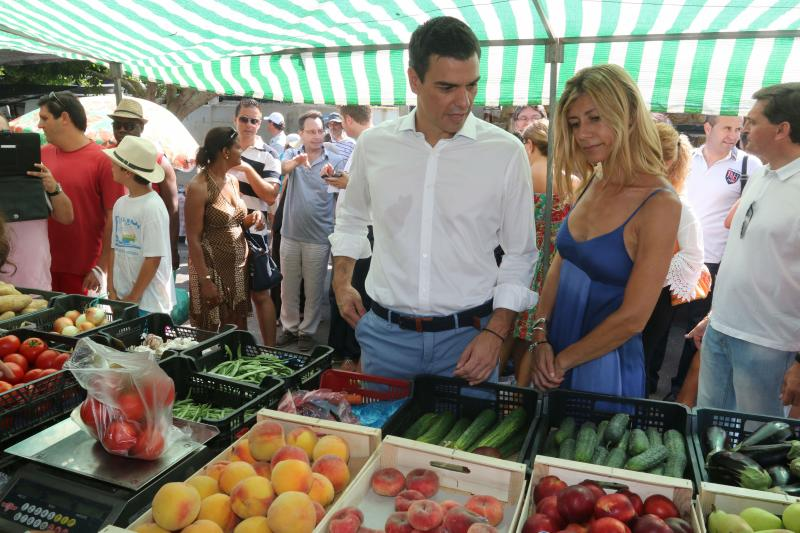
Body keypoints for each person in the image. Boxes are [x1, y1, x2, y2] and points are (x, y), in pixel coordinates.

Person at [330, 16, 537, 384]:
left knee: (462, 443)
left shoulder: (505, 152)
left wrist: (495, 333)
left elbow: (520, 253)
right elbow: (351, 218)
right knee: (380, 441)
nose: (464, 102)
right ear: (414, 80)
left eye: (471, 86)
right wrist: (342, 284)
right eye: (447, 87)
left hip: (470, 339)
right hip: (385, 338)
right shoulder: (374, 145)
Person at [528, 64, 681, 397]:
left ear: (627, 115)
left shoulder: (660, 203)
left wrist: (561, 361)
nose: (583, 133)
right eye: (574, 123)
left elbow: (633, 318)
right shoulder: (593, 179)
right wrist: (539, 335)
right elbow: (560, 260)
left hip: (602, 367)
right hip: (554, 354)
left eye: (594, 118)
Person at [688, 83, 800, 416]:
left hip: (769, 344)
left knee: (753, 446)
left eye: (752, 121)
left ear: (782, 129)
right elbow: (745, 253)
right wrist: (715, 315)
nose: (744, 129)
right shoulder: (762, 173)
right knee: (710, 433)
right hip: (723, 329)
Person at [669, 114, 762, 397]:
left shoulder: (749, 165)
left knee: (695, 333)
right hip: (677, 256)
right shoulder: (686, 158)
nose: (733, 134)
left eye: (738, 128)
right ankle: (649, 386)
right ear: (708, 128)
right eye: (727, 128)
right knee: (662, 326)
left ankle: (678, 392)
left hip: (715, 262)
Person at [641, 122, 707, 396]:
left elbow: (693, 257)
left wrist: (652, 273)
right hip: (640, 289)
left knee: (642, 354)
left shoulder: (679, 205)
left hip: (657, 295)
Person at [36, 91, 125, 294]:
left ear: (65, 118)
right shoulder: (42, 154)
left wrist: (101, 267)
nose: (39, 125)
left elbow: (116, 217)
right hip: (42, 269)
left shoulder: (103, 160)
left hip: (85, 274)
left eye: (44, 118)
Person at [277, 111, 347, 351]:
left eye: (320, 131)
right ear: (301, 134)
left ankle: (307, 332)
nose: (317, 136)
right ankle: (289, 327)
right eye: (311, 131)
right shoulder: (292, 154)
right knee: (288, 286)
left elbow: (343, 186)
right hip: (290, 233)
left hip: (319, 235)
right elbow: (281, 168)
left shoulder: (335, 159)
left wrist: (333, 176)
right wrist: (296, 162)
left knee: (314, 287)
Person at [511, 120, 572, 386]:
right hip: (554, 270)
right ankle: (520, 394)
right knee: (531, 336)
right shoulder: (573, 180)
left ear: (530, 144)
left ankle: (501, 391)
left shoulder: (522, 174)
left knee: (506, 332)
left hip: (522, 262)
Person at [185, 127, 265, 330]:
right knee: (212, 328)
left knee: (238, 328)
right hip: (211, 268)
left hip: (238, 268)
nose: (242, 151)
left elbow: (233, 222)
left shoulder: (233, 180)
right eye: (238, 147)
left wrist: (253, 218)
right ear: (225, 151)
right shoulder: (199, 186)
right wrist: (205, 281)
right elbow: (193, 238)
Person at [105, 135, 176, 315]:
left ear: (128, 172)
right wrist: (112, 289)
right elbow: (114, 248)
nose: (111, 166)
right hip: (124, 298)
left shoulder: (153, 206)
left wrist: (133, 298)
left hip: (149, 303)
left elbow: (153, 259)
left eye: (115, 163)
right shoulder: (121, 204)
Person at [108, 98, 180, 273]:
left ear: (141, 127)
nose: (122, 130)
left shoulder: (158, 162)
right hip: (117, 247)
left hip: (150, 248)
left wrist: (172, 248)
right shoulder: (106, 158)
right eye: (117, 125)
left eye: (129, 126)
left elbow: (172, 209)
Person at [326, 104, 374, 368]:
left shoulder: (369, 141)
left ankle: (351, 354)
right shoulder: (362, 143)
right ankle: (347, 353)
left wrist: (349, 183)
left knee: (352, 295)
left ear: (346, 120)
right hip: (353, 234)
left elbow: (373, 190)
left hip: (363, 234)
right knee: (345, 294)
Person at [231, 98, 280, 345]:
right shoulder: (222, 148)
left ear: (260, 124)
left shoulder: (269, 154)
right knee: (233, 296)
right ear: (235, 120)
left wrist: (247, 169)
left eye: (254, 120)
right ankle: (237, 351)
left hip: (255, 233)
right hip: (223, 233)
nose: (249, 124)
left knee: (260, 293)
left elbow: (271, 196)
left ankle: (270, 350)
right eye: (244, 119)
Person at [1, 124, 74, 290]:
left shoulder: (35, 174)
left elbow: (67, 217)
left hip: (35, 286)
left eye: (3, 134)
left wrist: (53, 187)